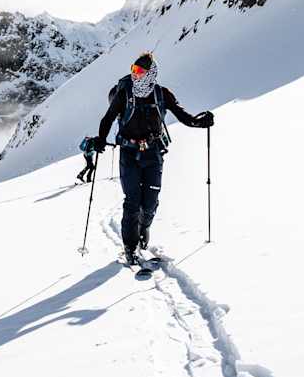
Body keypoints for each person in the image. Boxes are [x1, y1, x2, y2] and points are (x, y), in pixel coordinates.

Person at [91, 53, 213, 263]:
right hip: (129, 152)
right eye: (133, 69)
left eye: (139, 71)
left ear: (150, 73)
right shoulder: (124, 94)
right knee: (132, 201)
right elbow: (108, 118)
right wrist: (101, 139)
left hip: (153, 152)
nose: (134, 75)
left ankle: (144, 227)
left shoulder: (161, 94)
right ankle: (130, 247)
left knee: (150, 202)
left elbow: (182, 115)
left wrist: (199, 122)